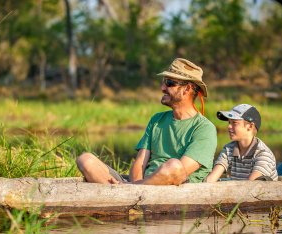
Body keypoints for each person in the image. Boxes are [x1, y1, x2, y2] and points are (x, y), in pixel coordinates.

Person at [76, 58, 217, 185]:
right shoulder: (157, 120)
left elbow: (179, 172)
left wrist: (133, 188)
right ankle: (127, 198)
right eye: (163, 82)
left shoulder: (205, 128)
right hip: (138, 187)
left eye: (169, 83)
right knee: (85, 159)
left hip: (171, 189)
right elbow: (139, 164)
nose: (162, 88)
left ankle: (125, 194)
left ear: (187, 89)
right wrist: (136, 187)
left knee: (174, 165)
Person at [205, 104, 278, 182]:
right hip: (239, 192)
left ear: (250, 126)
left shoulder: (263, 154)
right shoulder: (228, 149)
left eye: (234, 123)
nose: (229, 126)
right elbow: (211, 179)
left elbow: (250, 186)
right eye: (229, 122)